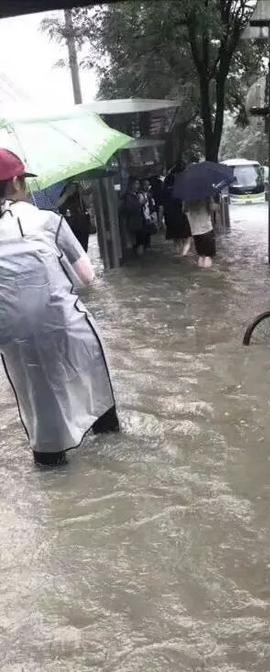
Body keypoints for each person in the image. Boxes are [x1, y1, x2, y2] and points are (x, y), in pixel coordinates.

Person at [0, 149, 119, 467]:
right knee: (96, 389)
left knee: (40, 406)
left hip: (14, 341)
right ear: (15, 183)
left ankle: (52, 465)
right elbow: (88, 279)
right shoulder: (46, 220)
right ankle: (111, 452)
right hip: (66, 327)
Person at [162, 162, 192, 256]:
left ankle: (178, 254)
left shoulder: (166, 184)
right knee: (188, 237)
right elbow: (184, 202)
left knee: (176, 237)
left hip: (169, 216)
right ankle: (183, 255)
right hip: (179, 214)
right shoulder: (181, 184)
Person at [57, 181, 92, 252]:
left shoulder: (79, 187)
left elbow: (87, 204)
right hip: (67, 223)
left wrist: (82, 192)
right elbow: (56, 205)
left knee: (83, 248)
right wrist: (66, 194)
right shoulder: (58, 188)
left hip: (81, 222)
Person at [120, 178, 150, 256]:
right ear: (131, 185)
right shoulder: (128, 196)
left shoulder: (137, 194)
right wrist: (140, 203)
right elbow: (129, 208)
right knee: (138, 242)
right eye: (136, 184)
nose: (137, 186)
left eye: (138, 184)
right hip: (134, 222)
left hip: (140, 221)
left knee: (141, 241)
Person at [184, 198, 216, 268]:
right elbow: (213, 208)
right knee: (208, 256)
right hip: (206, 230)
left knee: (201, 255)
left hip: (195, 231)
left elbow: (185, 211)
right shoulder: (206, 197)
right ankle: (207, 276)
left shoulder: (187, 199)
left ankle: (200, 271)